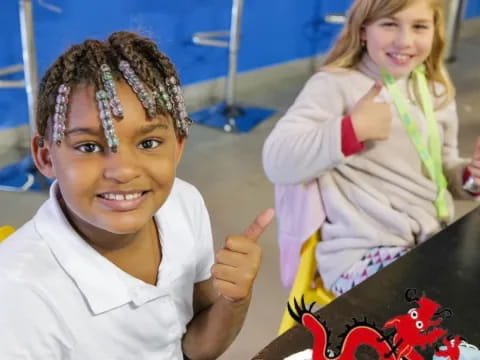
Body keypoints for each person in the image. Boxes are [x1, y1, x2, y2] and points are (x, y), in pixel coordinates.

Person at [0, 31, 274, 359]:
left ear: (178, 147)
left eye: (148, 143)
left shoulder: (183, 204)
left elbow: (193, 348)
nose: (124, 171)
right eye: (89, 146)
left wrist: (234, 301)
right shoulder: (19, 295)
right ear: (45, 157)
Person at [263, 0, 480, 297]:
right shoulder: (335, 85)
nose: (404, 40)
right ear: (363, 30)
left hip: (430, 240)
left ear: (435, 30)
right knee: (443, 308)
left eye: (419, 26)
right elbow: (276, 160)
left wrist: (470, 176)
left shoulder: (436, 90)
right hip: (360, 252)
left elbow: (442, 166)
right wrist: (351, 130)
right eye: (389, 24)